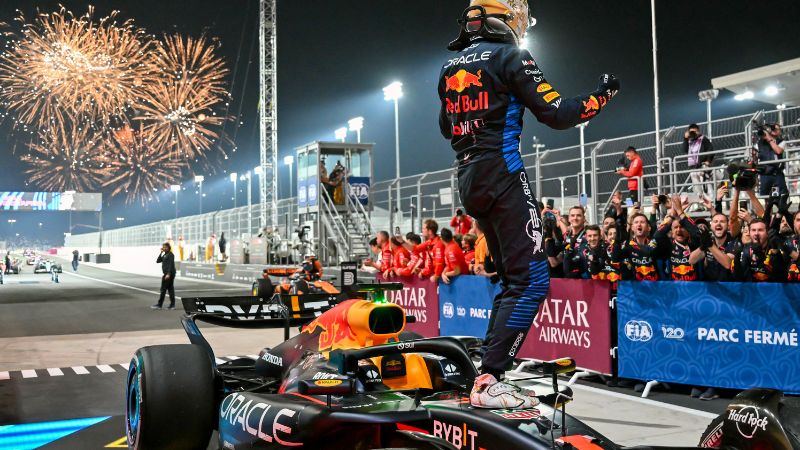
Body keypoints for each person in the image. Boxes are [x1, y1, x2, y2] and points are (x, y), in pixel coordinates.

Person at [439, 0, 619, 408]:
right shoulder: (509, 55)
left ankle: (488, 373)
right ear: (504, 18)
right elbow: (557, 113)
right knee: (532, 281)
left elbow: (446, 126)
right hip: (502, 173)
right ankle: (489, 380)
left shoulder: (448, 68)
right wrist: (604, 93)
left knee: (512, 281)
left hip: (468, 178)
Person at [683, 124, 714, 199]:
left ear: (698, 131)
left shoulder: (703, 138)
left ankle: (712, 204)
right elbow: (684, 150)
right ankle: (701, 205)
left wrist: (708, 161)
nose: (693, 133)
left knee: (706, 187)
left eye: (695, 131)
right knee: (697, 189)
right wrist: (685, 139)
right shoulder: (689, 140)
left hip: (702, 166)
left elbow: (711, 149)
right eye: (691, 132)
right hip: (692, 167)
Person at [756, 123, 787, 196]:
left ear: (779, 131)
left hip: (776, 174)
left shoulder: (782, 141)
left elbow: (778, 151)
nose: (774, 130)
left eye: (776, 129)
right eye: (773, 128)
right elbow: (756, 157)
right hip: (765, 174)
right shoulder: (760, 142)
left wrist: (769, 139)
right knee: (767, 197)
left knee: (779, 197)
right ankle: (769, 208)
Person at [152, 242, 177, 310]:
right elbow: (158, 261)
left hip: (169, 274)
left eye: (166, 247)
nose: (164, 248)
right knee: (170, 289)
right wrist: (161, 253)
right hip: (167, 274)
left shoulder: (170, 255)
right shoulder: (164, 254)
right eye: (163, 247)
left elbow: (170, 264)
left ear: (169, 248)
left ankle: (160, 305)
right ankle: (172, 305)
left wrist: (168, 274)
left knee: (163, 289)